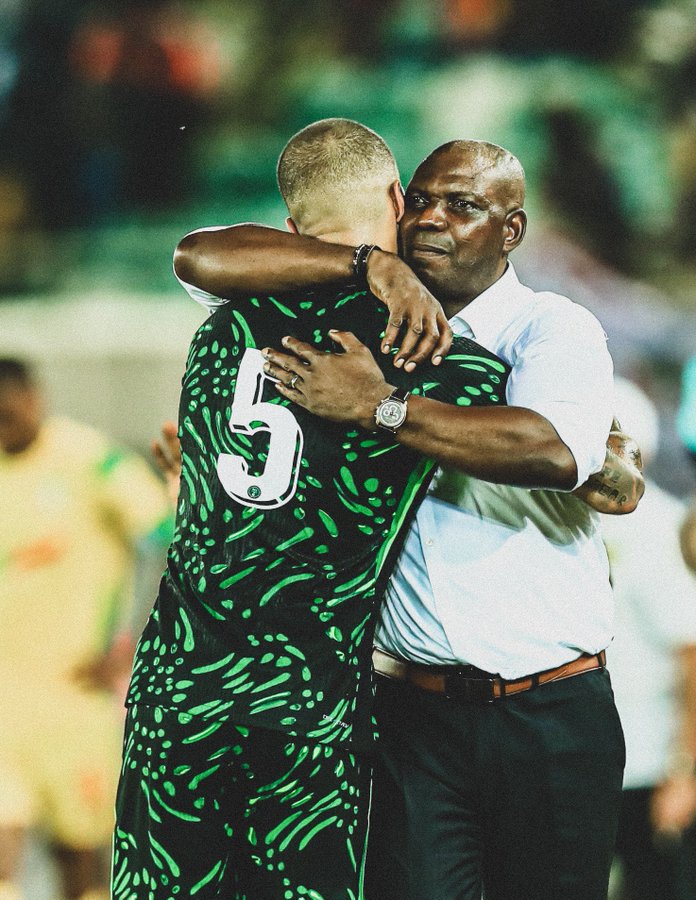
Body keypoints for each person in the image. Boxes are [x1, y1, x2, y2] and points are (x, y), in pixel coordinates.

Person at [175, 138, 630, 900]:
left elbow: (555, 450)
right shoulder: (356, 319)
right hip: (410, 716)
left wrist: (380, 408)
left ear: (511, 230)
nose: (432, 219)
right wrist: (368, 267)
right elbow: (199, 258)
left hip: (550, 708)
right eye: (419, 201)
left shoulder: (549, 328)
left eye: (463, 205)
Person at [113, 118, 516, 900]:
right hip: (307, 708)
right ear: (398, 200)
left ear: (292, 229)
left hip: (178, 691)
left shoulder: (223, 320)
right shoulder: (441, 360)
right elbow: (559, 455)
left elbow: (199, 253)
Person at [0, 357, 172, 900]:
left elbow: (165, 540)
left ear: (34, 398)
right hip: (5, 696)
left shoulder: (91, 461)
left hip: (75, 695)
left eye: (9, 410)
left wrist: (134, 641)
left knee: (78, 857)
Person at [604, 377, 696, 900]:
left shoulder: (660, 527)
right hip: (578, 757)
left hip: (647, 760)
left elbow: (692, 652)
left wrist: (684, 772)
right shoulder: (556, 519)